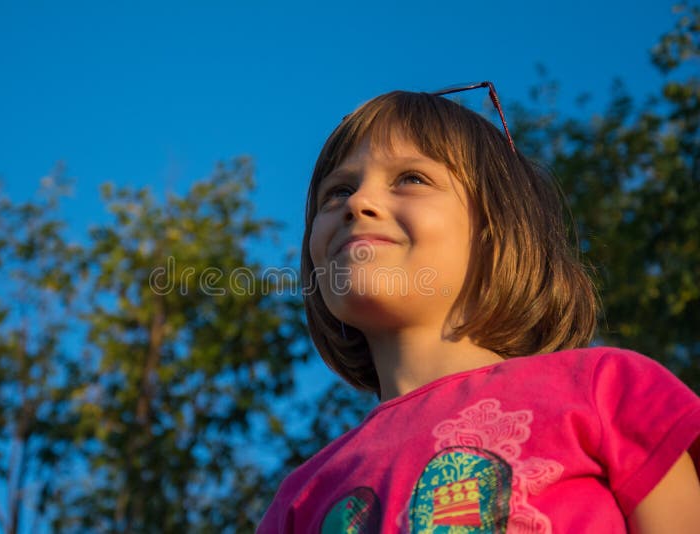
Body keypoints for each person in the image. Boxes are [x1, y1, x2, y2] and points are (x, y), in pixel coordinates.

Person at [257, 84, 700, 533]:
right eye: (337, 191)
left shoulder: (608, 392)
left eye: (411, 179)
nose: (357, 203)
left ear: (497, 229)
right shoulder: (300, 500)